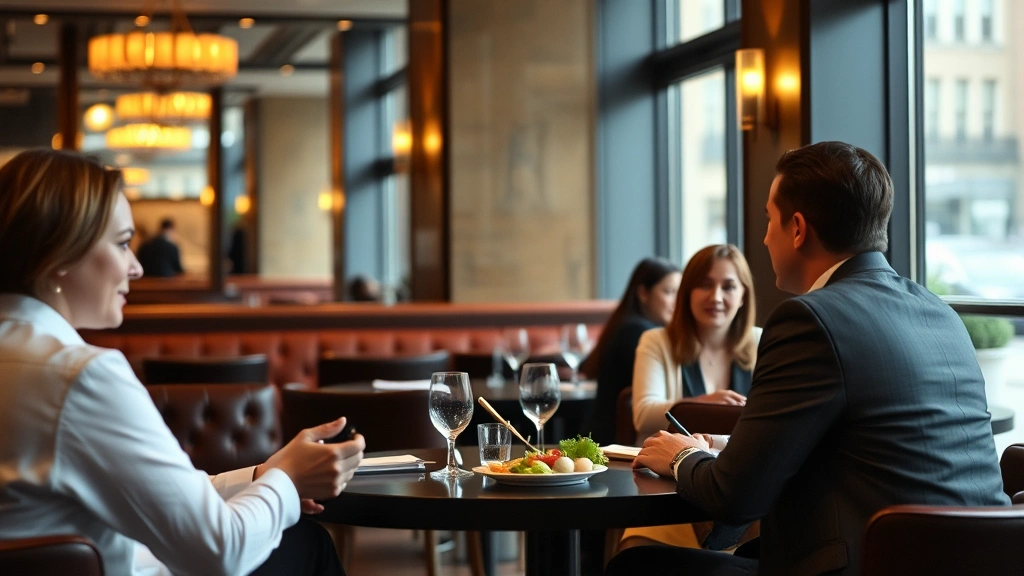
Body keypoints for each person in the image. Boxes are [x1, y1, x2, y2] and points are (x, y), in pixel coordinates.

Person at [607, 141, 1009, 576]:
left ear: (797, 229)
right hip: (987, 559)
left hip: (869, 563)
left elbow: (734, 497)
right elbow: (862, 445)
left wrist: (681, 455)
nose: (765, 237)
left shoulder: (810, 319)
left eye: (769, 219)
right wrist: (727, 447)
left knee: (636, 566)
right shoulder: (941, 313)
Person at [0, 149, 364, 576]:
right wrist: (287, 481)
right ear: (59, 255)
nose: (136, 267)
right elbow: (219, 552)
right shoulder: (80, 377)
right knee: (306, 543)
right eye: (122, 243)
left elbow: (163, 499)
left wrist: (265, 475)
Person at [631, 244, 761, 442]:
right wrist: (703, 404)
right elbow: (643, 416)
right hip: (671, 460)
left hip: (744, 461)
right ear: (687, 292)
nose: (716, 297)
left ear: (743, 295)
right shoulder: (656, 341)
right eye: (705, 285)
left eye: (728, 287)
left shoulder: (761, 341)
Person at [581, 257, 682, 445]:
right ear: (643, 293)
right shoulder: (639, 333)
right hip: (615, 443)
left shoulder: (624, 323)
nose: (677, 302)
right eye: (669, 292)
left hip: (604, 435)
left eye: (680, 293)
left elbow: (584, 365)